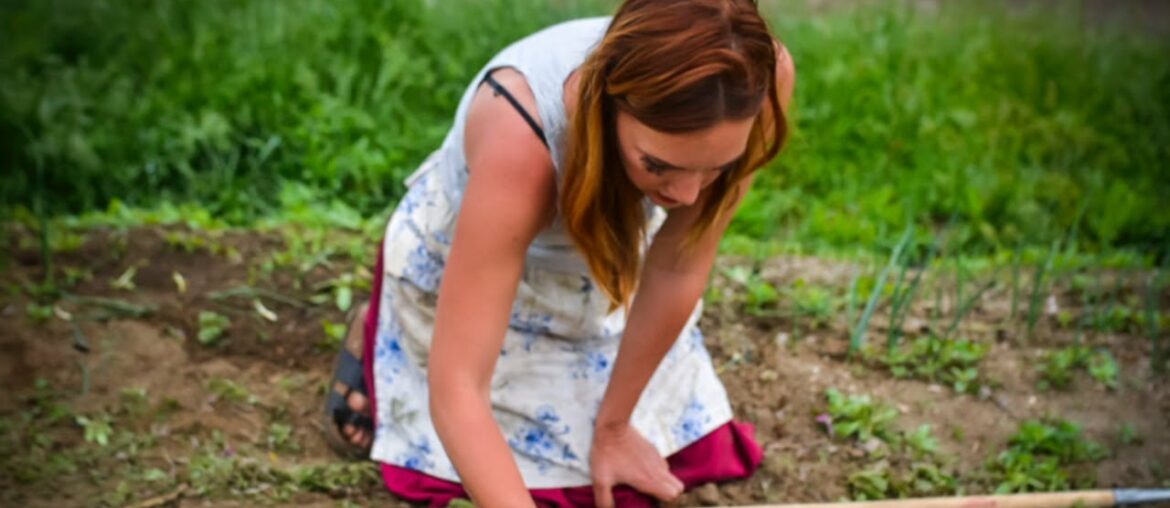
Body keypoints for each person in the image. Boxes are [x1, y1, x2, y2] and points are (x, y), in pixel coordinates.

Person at [323, 0, 795, 506]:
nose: (686, 196)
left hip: (603, 261)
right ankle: (382, 331)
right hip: (484, 264)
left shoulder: (755, 81)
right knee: (465, 478)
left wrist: (614, 427)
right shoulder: (521, 137)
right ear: (607, 105)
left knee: (673, 460)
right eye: (659, 165)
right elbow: (459, 388)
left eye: (716, 168)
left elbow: (678, 264)